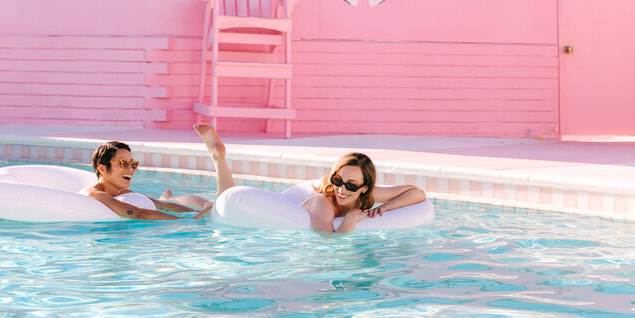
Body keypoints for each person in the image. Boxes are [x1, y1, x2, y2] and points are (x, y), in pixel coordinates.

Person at [193, 122, 426, 233]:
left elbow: (417, 193)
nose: (342, 190)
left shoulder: (371, 194)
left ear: (365, 188)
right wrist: (350, 220)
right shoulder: (324, 202)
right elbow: (327, 245)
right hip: (292, 204)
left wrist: (385, 207)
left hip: (295, 200)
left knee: (215, 204)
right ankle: (217, 157)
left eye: (351, 186)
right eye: (337, 181)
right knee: (215, 205)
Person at [82, 140, 212, 222]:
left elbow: (163, 206)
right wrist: (187, 221)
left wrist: (197, 212)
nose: (131, 169)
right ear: (102, 168)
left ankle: (168, 196)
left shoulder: (123, 193)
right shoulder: (95, 194)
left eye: (133, 164)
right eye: (123, 163)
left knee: (166, 201)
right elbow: (139, 213)